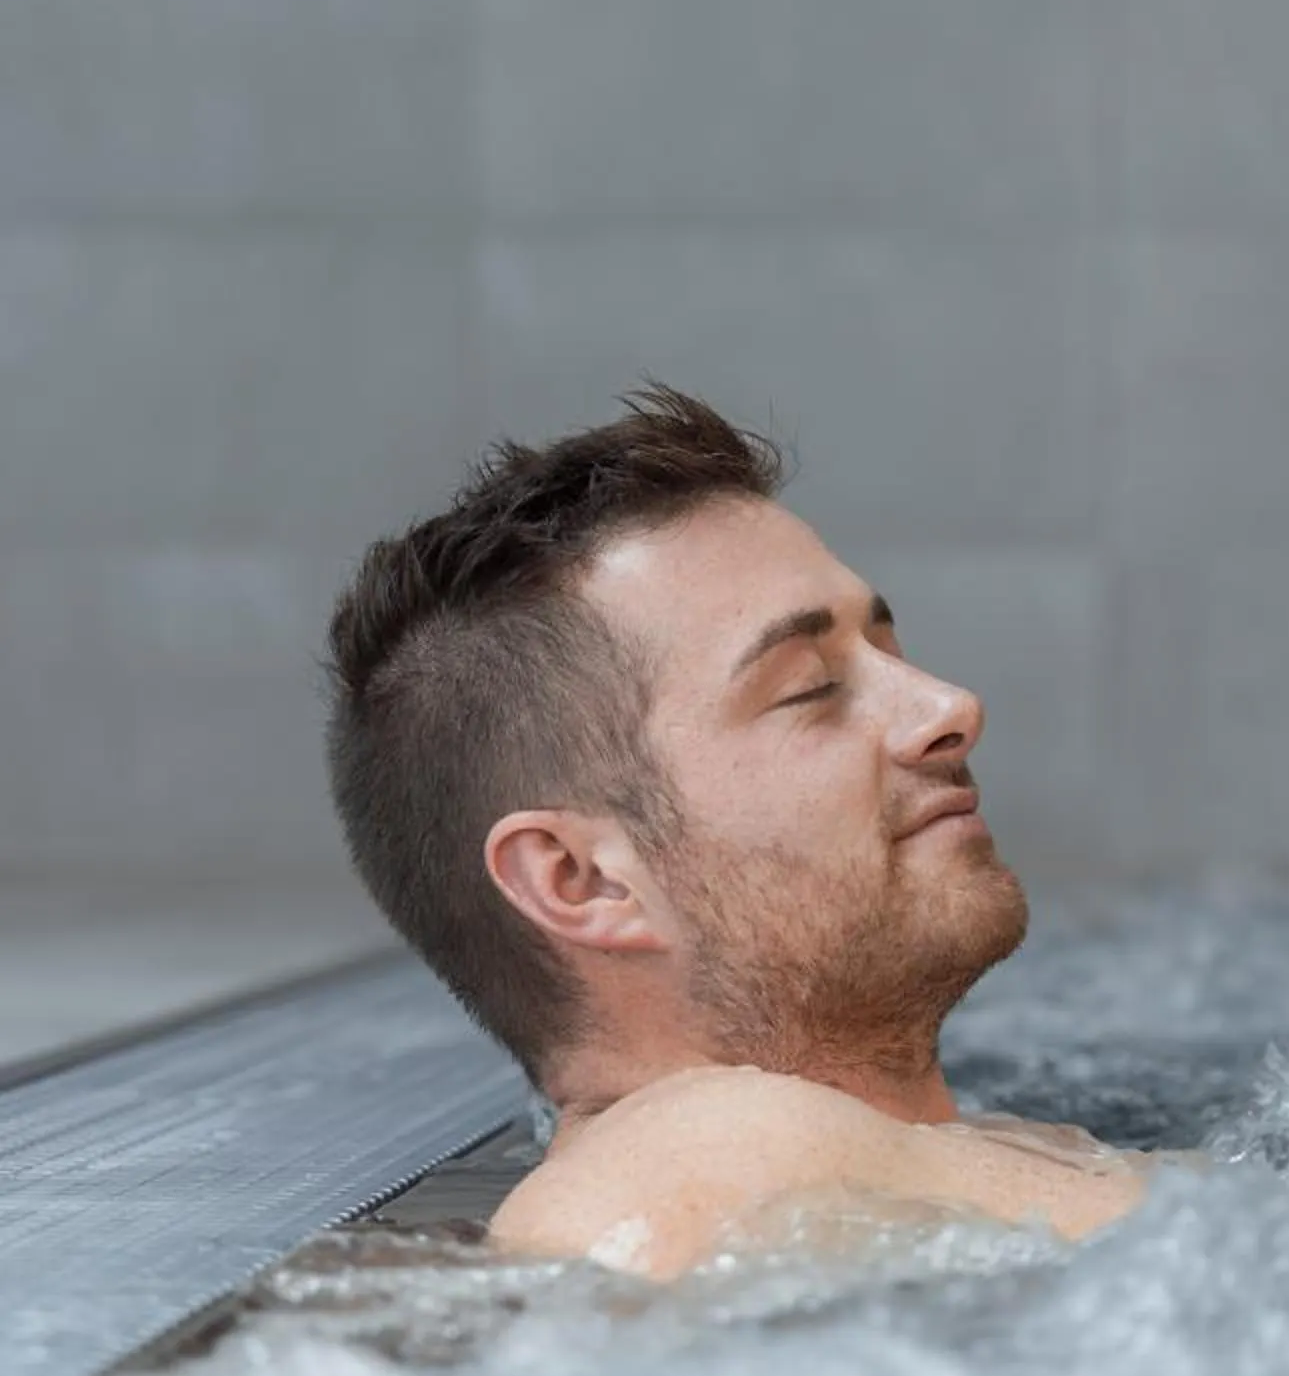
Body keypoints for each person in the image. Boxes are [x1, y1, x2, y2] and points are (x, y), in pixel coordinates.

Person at [324, 384, 1172, 1283]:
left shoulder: (895, 1170)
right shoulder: (690, 1172)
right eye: (809, 687)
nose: (948, 706)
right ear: (582, 880)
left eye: (886, 649)